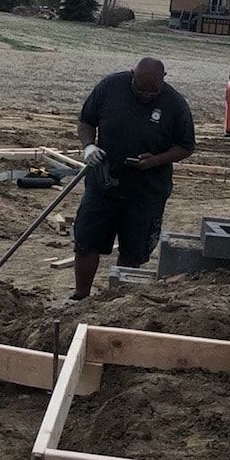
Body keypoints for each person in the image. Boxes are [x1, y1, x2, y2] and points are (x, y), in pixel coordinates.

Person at [72, 56, 195, 298]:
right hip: (104, 183)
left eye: (153, 92)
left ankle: (117, 300)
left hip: (146, 191)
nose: (146, 96)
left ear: (163, 80)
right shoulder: (109, 88)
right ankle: (80, 296)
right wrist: (89, 146)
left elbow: (186, 146)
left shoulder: (175, 104)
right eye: (140, 90)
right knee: (86, 242)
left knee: (132, 251)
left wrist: (156, 160)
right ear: (132, 75)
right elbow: (86, 121)